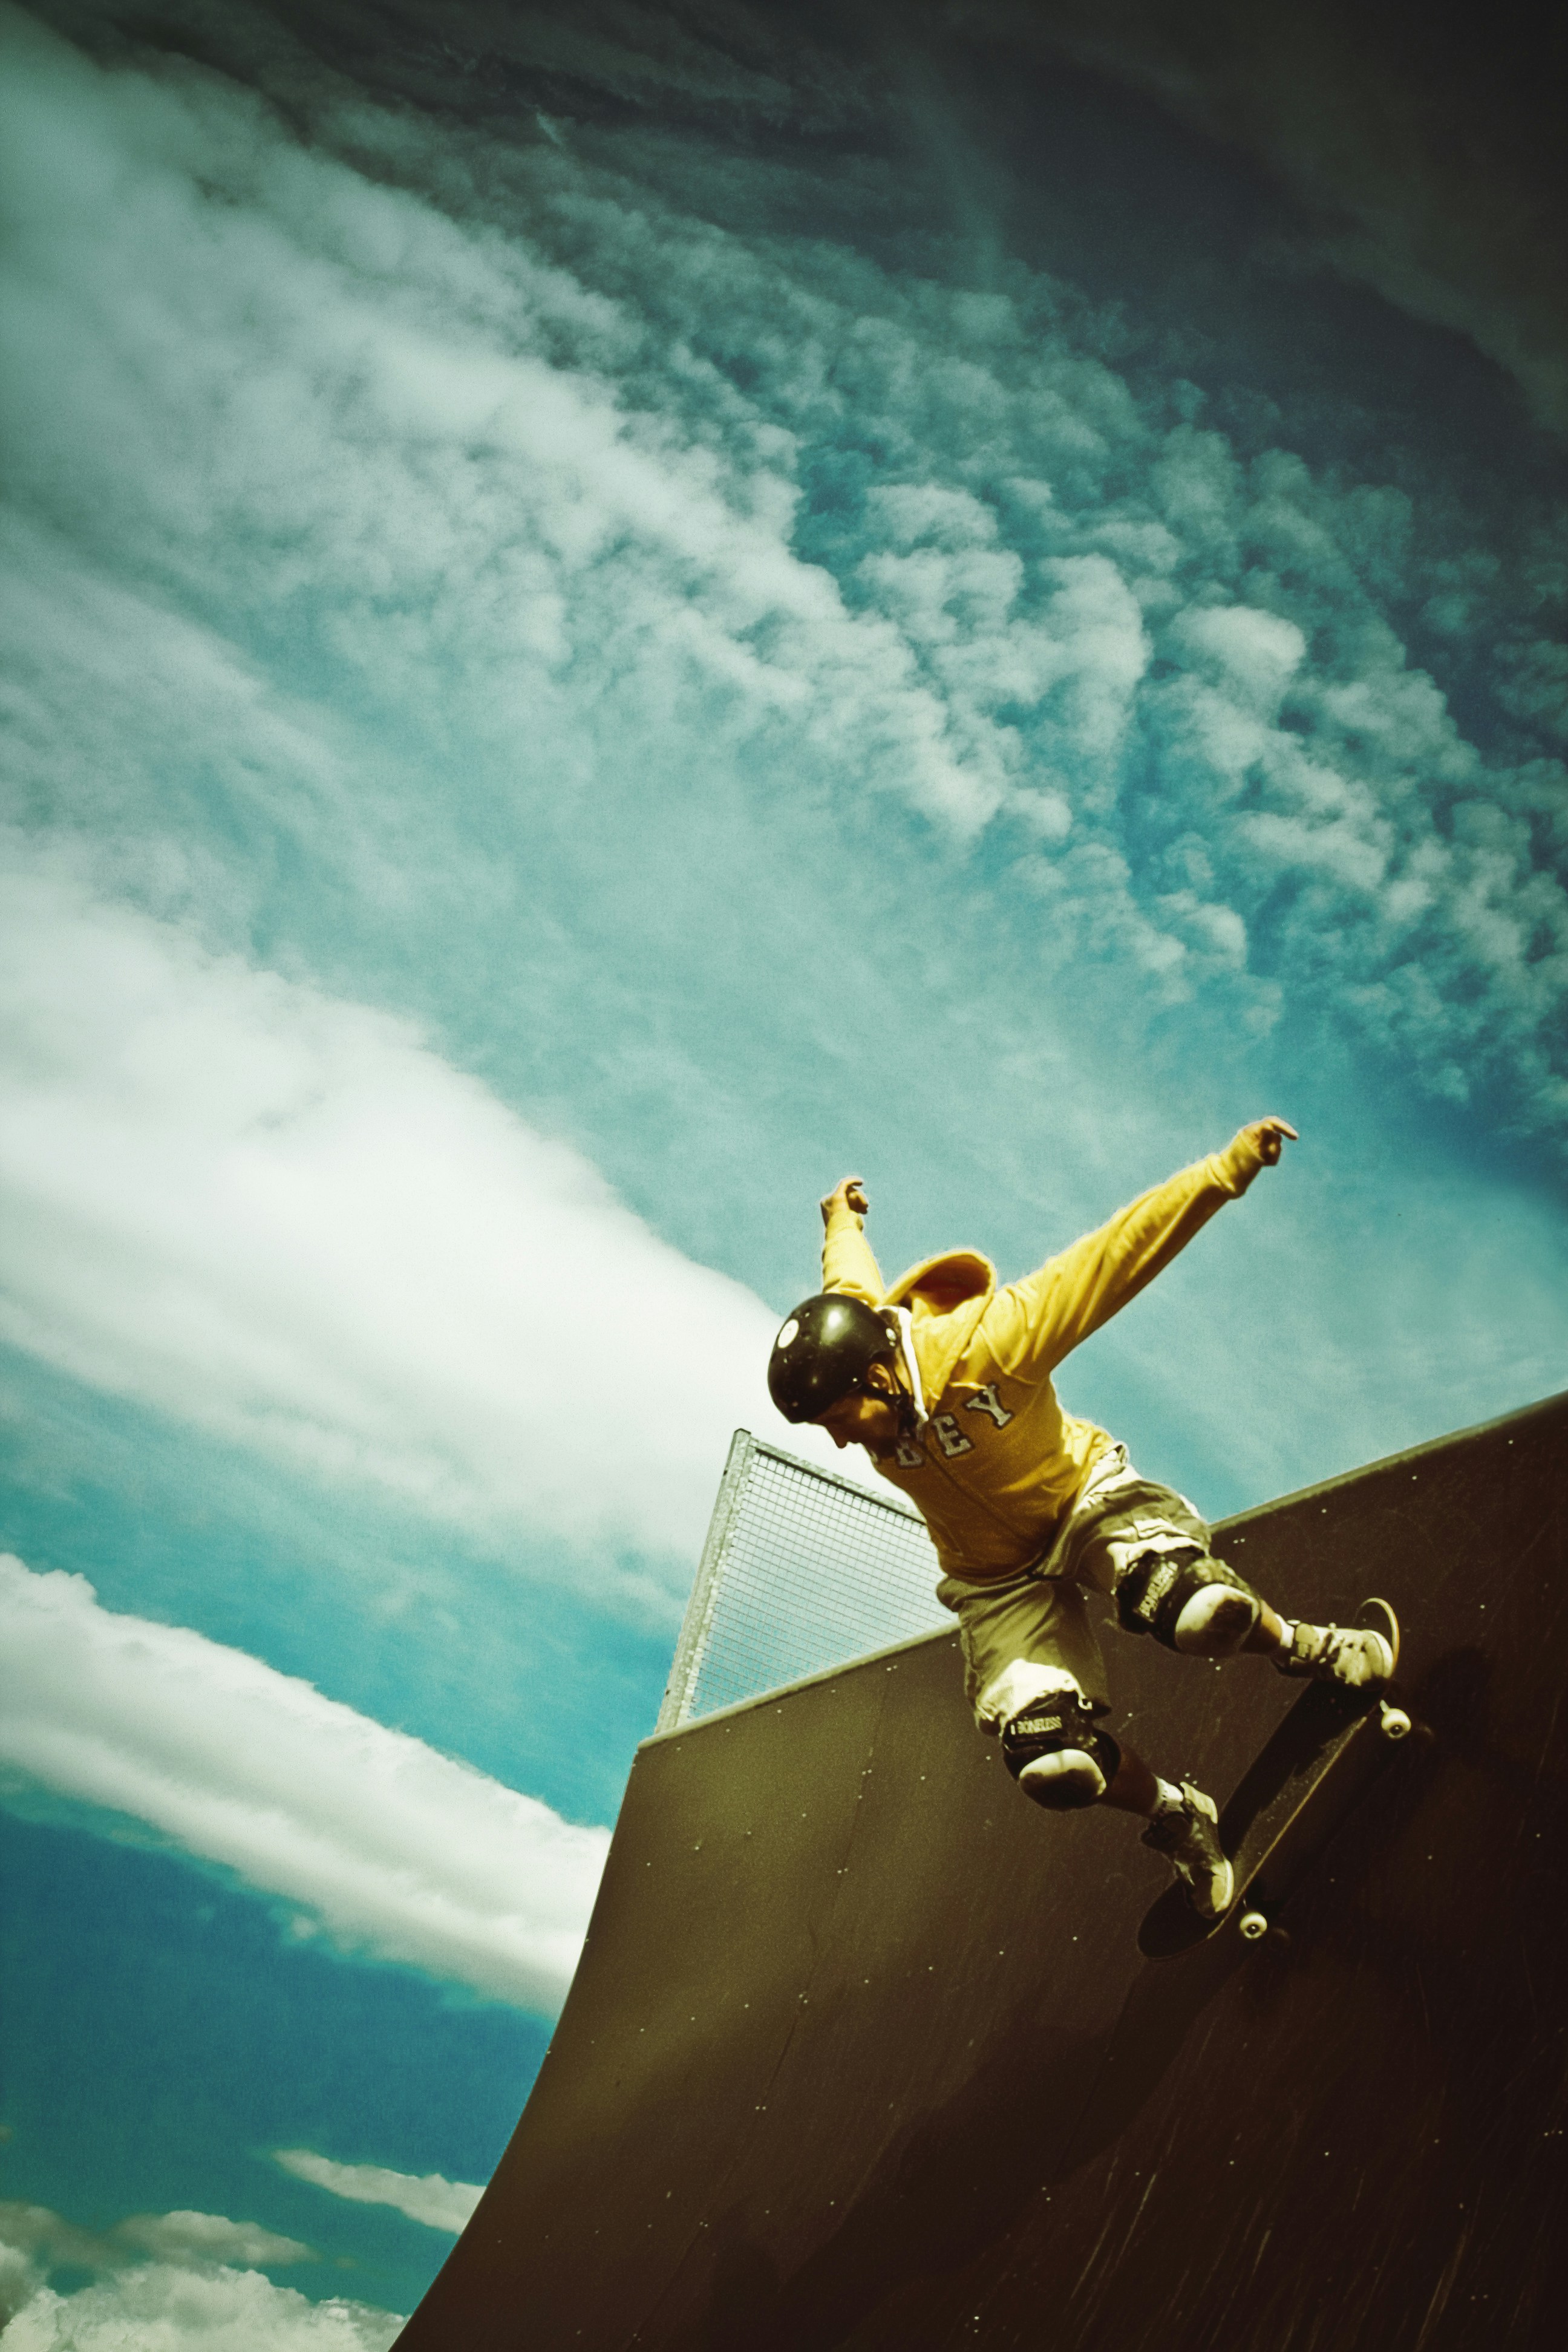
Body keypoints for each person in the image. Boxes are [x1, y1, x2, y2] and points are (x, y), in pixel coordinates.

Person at [765, 1122, 1393, 1919]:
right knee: (1050, 1761)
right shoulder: (861, 1348)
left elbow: (1109, 1262)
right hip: (993, 1577)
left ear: (884, 1373)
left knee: (1189, 1607)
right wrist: (841, 1221)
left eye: (841, 1416)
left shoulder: (990, 1342)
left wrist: (1225, 1171)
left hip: (1082, 1502)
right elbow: (849, 1287)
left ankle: (1308, 1646)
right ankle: (1178, 1817)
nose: (843, 1438)